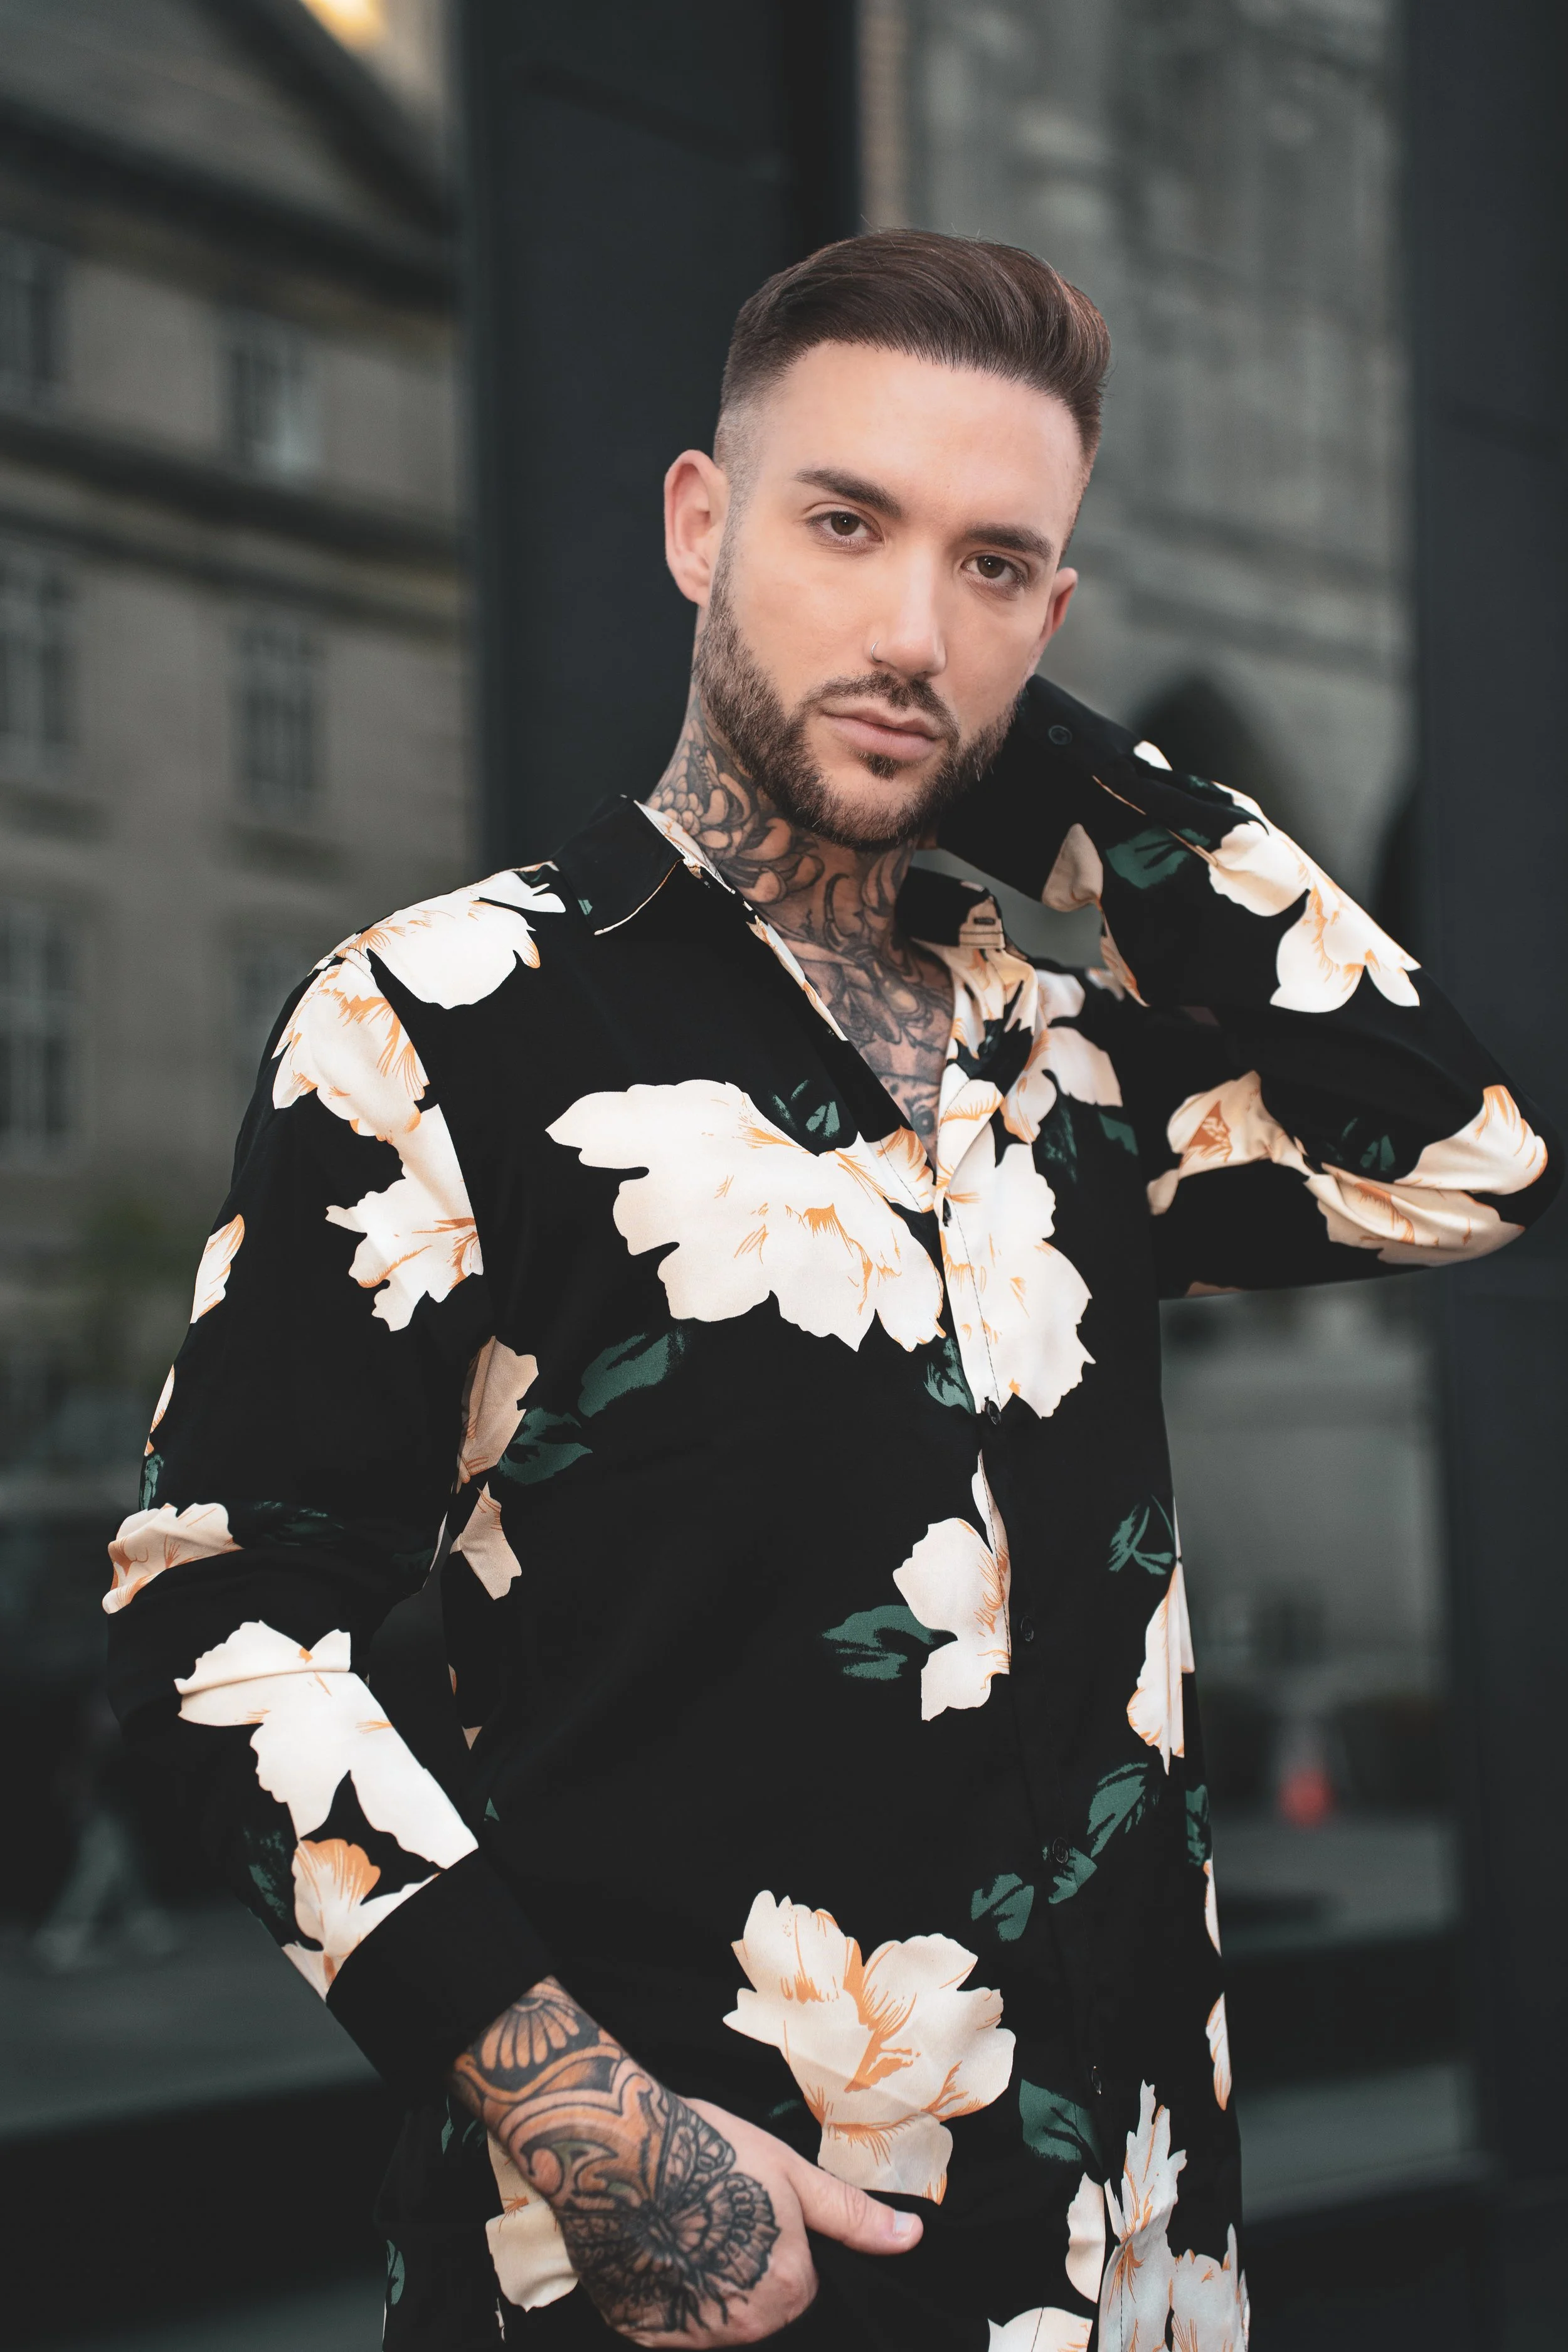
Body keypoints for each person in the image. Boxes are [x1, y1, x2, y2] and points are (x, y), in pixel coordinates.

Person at [105, 232, 1558, 2351]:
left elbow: (1460, 1157)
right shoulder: (442, 1020)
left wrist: (1028, 762)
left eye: (993, 567)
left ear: (1052, 623)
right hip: (700, 2261)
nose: (905, 625)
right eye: (843, 523)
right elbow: (218, 1610)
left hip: (1133, 2267)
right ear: (701, 524)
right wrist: (594, 2126)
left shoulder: (1061, 1069)